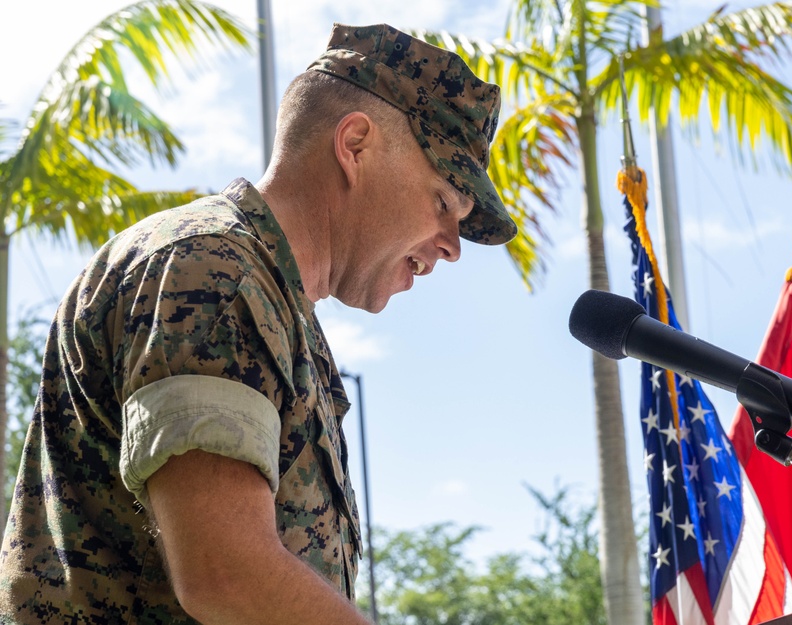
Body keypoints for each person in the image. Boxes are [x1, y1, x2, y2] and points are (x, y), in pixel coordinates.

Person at [0, 23, 515, 624]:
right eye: (443, 203)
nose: (452, 247)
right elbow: (225, 573)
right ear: (354, 146)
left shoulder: (270, 302)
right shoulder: (213, 272)